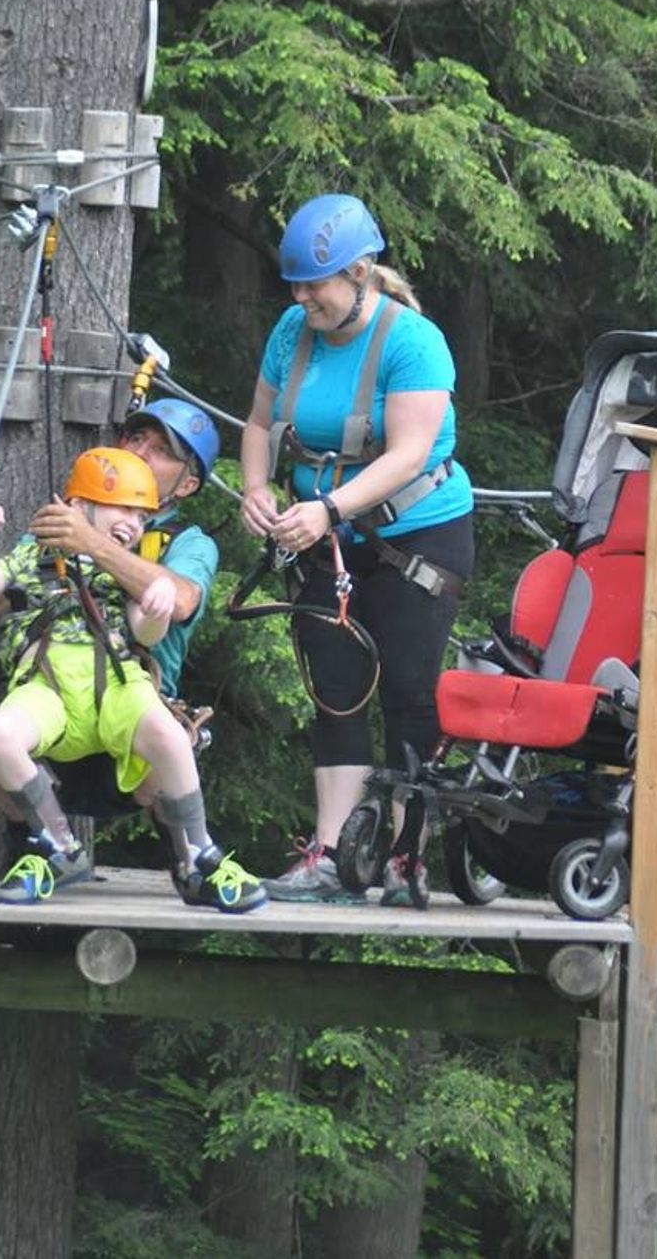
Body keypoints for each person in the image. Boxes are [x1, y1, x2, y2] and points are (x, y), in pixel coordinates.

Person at [239, 193, 475, 909]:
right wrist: (257, 488)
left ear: (362, 274)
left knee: (408, 691)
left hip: (415, 536)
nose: (302, 297)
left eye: (316, 284)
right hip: (322, 536)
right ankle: (333, 854)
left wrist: (330, 507)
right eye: (297, 285)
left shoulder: (414, 342)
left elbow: (406, 455)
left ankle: (407, 858)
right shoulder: (293, 330)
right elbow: (257, 421)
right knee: (335, 692)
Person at [0, 444, 266, 913]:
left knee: (168, 733)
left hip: (117, 688)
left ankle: (201, 854)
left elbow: (145, 632)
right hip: (50, 687)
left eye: (142, 517)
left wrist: (155, 606)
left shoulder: (132, 566)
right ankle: (57, 846)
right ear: (79, 507)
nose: (133, 525)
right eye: (123, 509)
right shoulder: (34, 556)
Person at [0, 398, 222, 819]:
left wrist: (93, 545)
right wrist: (48, 577)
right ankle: (42, 847)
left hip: (132, 710)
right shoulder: (70, 520)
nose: (139, 453)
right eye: (136, 438)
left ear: (187, 484)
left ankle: (190, 858)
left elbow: (182, 601)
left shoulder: (188, 543)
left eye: (162, 451)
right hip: (51, 698)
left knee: (170, 741)